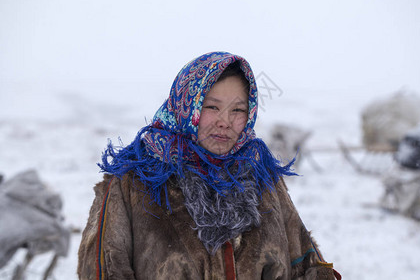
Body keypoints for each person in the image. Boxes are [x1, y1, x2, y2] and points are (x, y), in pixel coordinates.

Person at [78, 52, 340, 280]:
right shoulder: (131, 184)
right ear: (186, 105)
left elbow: (306, 268)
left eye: (238, 110)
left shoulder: (263, 179)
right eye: (211, 107)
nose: (225, 121)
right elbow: (104, 271)